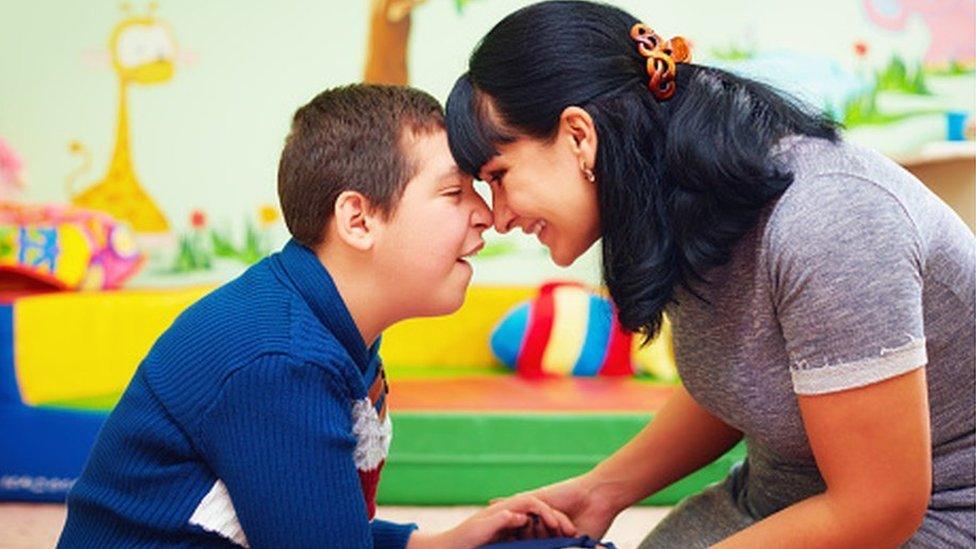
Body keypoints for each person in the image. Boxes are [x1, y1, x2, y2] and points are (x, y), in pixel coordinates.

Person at [444, 1, 976, 546]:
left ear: (579, 135)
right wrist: (602, 491)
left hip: (936, 517)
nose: (498, 215)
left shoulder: (827, 217)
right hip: (780, 496)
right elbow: (749, 375)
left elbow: (881, 506)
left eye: (500, 175)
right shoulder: (680, 195)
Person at [58, 84, 576, 548]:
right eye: (452, 193)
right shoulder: (280, 359)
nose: (485, 214)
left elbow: (304, 517)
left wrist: (439, 543)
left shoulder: (328, 328)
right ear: (358, 219)